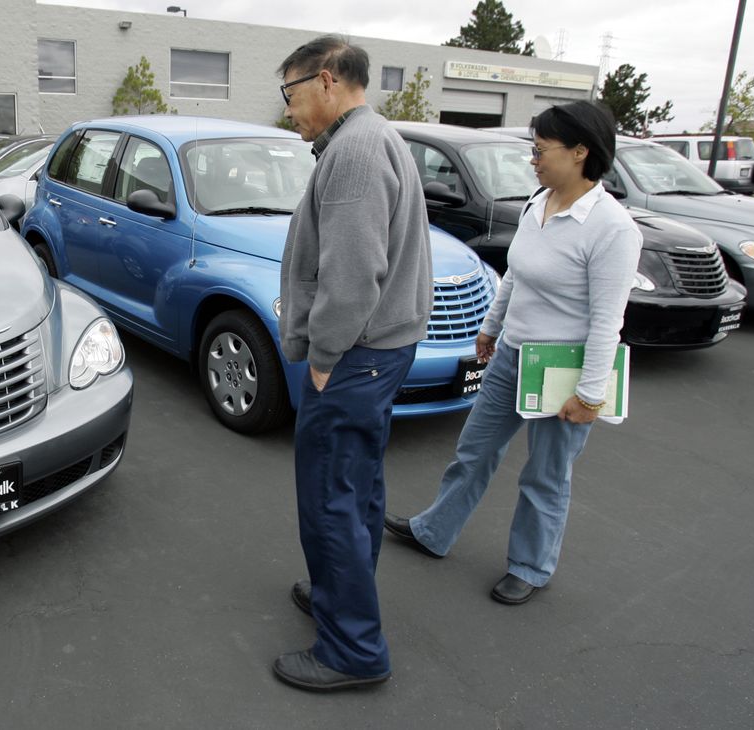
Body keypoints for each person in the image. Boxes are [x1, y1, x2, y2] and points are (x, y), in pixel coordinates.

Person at [384, 101, 641, 606]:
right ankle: (434, 530)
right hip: (512, 356)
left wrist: (589, 396)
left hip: (563, 369)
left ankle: (530, 565)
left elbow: (609, 321)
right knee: (473, 451)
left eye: (542, 150)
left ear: (581, 152)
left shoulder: (612, 228)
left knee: (545, 474)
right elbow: (517, 275)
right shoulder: (537, 203)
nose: (534, 160)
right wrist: (489, 327)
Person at [273, 35, 432, 692]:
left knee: (330, 496)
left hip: (355, 357)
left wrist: (325, 356)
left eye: (290, 93)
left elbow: (352, 272)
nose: (288, 109)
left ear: (328, 80)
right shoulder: (373, 140)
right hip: (380, 353)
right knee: (357, 484)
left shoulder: (356, 154)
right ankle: (344, 595)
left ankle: (353, 650)